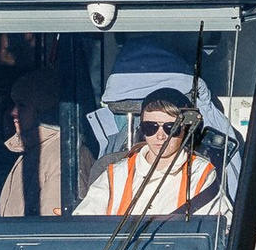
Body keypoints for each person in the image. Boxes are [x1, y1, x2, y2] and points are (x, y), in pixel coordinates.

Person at [74, 41, 240, 218]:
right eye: (151, 127)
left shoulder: (201, 174)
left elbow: (220, 228)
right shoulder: (114, 173)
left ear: (185, 128)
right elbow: (85, 224)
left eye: (171, 128)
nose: (160, 136)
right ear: (142, 129)